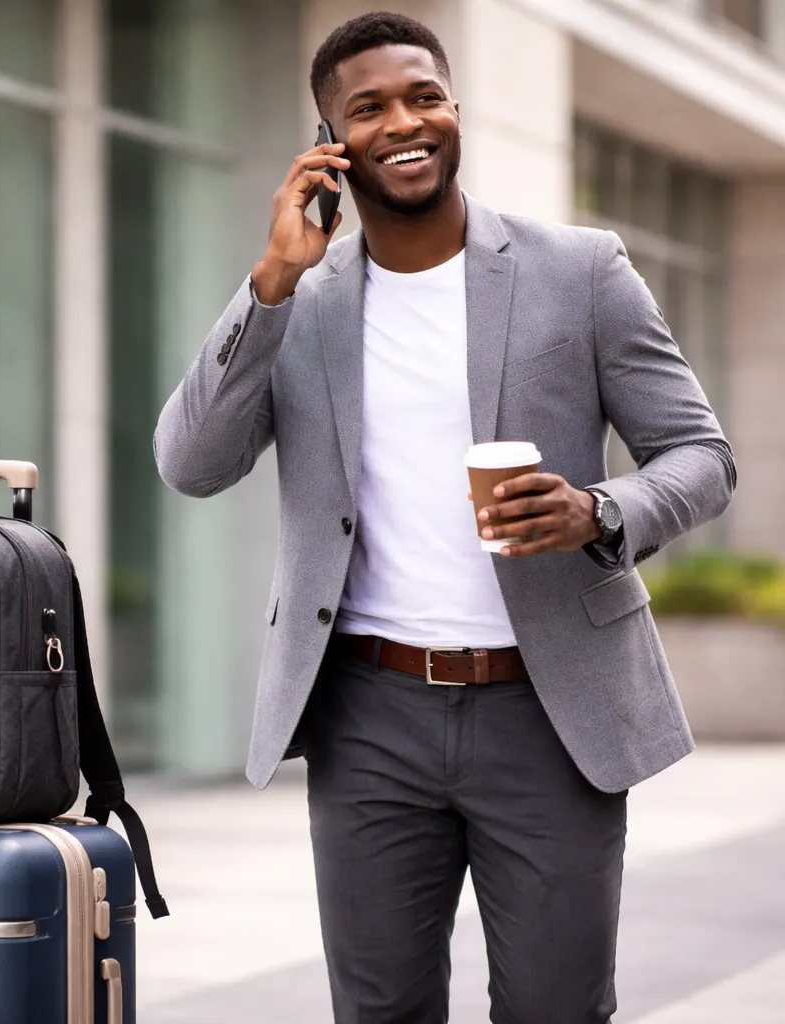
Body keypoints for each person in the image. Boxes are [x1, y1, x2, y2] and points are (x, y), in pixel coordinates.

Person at [154, 10, 736, 1024]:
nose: (402, 122)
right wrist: (275, 277)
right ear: (331, 144)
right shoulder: (300, 302)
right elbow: (192, 464)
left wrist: (597, 508)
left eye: (422, 96)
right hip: (370, 715)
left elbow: (703, 457)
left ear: (455, 109)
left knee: (556, 1008)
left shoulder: (580, 271)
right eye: (367, 108)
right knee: (378, 1011)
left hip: (549, 712)